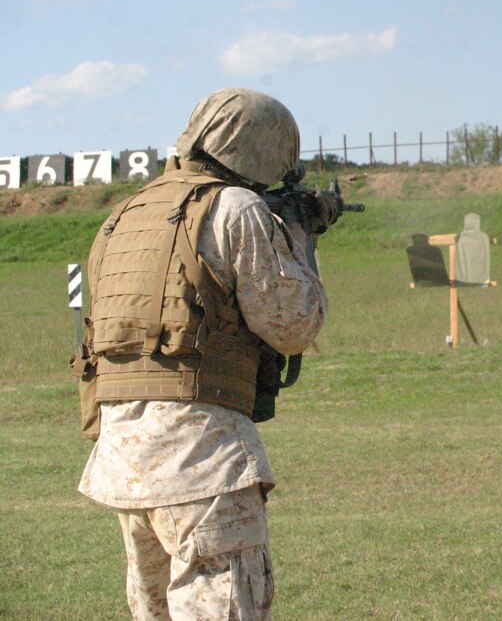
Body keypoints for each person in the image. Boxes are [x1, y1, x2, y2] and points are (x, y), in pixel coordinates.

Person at [76, 87, 331, 619]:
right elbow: (293, 326)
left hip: (125, 458)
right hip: (201, 460)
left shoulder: (126, 212)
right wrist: (300, 242)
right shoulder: (236, 208)